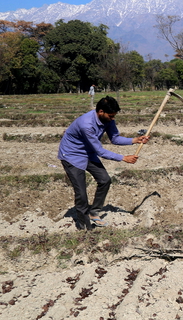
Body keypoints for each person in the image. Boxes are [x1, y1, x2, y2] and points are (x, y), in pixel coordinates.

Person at [58, 96, 149, 230]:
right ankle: (84, 225)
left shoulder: (108, 120)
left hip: (88, 153)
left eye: (114, 116)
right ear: (101, 112)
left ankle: (94, 211)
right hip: (72, 155)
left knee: (105, 180)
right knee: (81, 193)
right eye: (111, 116)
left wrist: (135, 140)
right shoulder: (86, 124)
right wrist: (123, 158)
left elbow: (115, 138)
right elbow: (100, 151)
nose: (113, 119)